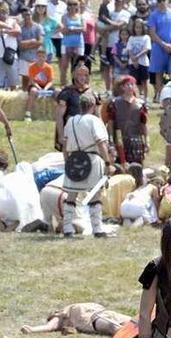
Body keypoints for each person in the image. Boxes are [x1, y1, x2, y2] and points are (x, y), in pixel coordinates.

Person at [61, 93, 114, 238]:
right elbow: (101, 143)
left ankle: (67, 228)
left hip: (74, 159)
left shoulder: (70, 121)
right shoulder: (94, 121)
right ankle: (97, 228)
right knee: (94, 194)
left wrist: (67, 161)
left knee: (71, 194)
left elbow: (64, 145)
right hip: (91, 159)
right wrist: (108, 162)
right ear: (92, 105)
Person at [55, 60, 100, 152]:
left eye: (85, 75)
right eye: (80, 74)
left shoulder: (93, 94)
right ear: (74, 75)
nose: (83, 77)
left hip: (88, 130)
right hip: (72, 131)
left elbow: (98, 116)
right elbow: (59, 116)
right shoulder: (66, 93)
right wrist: (61, 135)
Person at [106, 75, 148, 166]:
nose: (130, 87)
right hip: (120, 140)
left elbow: (143, 124)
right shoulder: (114, 103)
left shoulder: (140, 104)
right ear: (122, 87)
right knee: (120, 168)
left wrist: (146, 141)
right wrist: (111, 142)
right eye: (127, 85)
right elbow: (110, 123)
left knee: (137, 169)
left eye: (132, 84)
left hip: (136, 140)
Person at [20, 302, 131, 336]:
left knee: (135, 322)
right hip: (93, 319)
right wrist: (32, 329)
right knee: (112, 327)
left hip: (105, 312)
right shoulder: (62, 315)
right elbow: (50, 327)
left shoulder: (70, 308)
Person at [147, 0, 171, 102]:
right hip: (158, 47)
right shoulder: (153, 15)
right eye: (159, 1)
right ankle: (160, 96)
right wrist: (163, 44)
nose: (161, 2)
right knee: (159, 72)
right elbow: (152, 33)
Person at [0, 2, 20, 90]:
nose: (3, 14)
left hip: (11, 55)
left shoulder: (13, 21)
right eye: (1, 12)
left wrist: (4, 31)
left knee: (13, 82)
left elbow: (17, 32)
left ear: (8, 12)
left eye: (5, 12)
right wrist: (9, 28)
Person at [17, 6, 45, 92]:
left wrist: (28, 45)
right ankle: (24, 94)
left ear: (31, 15)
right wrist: (32, 41)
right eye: (24, 15)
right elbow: (20, 45)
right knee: (25, 79)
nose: (27, 17)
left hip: (35, 57)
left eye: (28, 14)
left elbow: (40, 41)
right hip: (24, 57)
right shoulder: (20, 28)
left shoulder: (38, 27)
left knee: (36, 79)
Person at [25, 46, 55, 122]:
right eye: (39, 56)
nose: (41, 58)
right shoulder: (31, 66)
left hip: (46, 85)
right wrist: (39, 88)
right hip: (35, 84)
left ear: (46, 58)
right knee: (33, 91)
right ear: (36, 57)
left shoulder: (49, 67)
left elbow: (51, 81)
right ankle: (28, 113)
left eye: (43, 56)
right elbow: (32, 81)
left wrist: (45, 89)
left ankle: (55, 113)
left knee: (57, 92)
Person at [59, 0, 85, 87]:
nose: (72, 6)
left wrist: (71, 29)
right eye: (70, 4)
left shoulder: (81, 17)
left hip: (79, 44)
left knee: (78, 66)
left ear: (78, 5)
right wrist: (77, 29)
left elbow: (84, 29)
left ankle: (77, 85)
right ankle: (63, 86)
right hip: (66, 43)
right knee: (64, 66)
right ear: (67, 6)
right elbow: (64, 31)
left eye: (75, 4)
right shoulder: (64, 17)